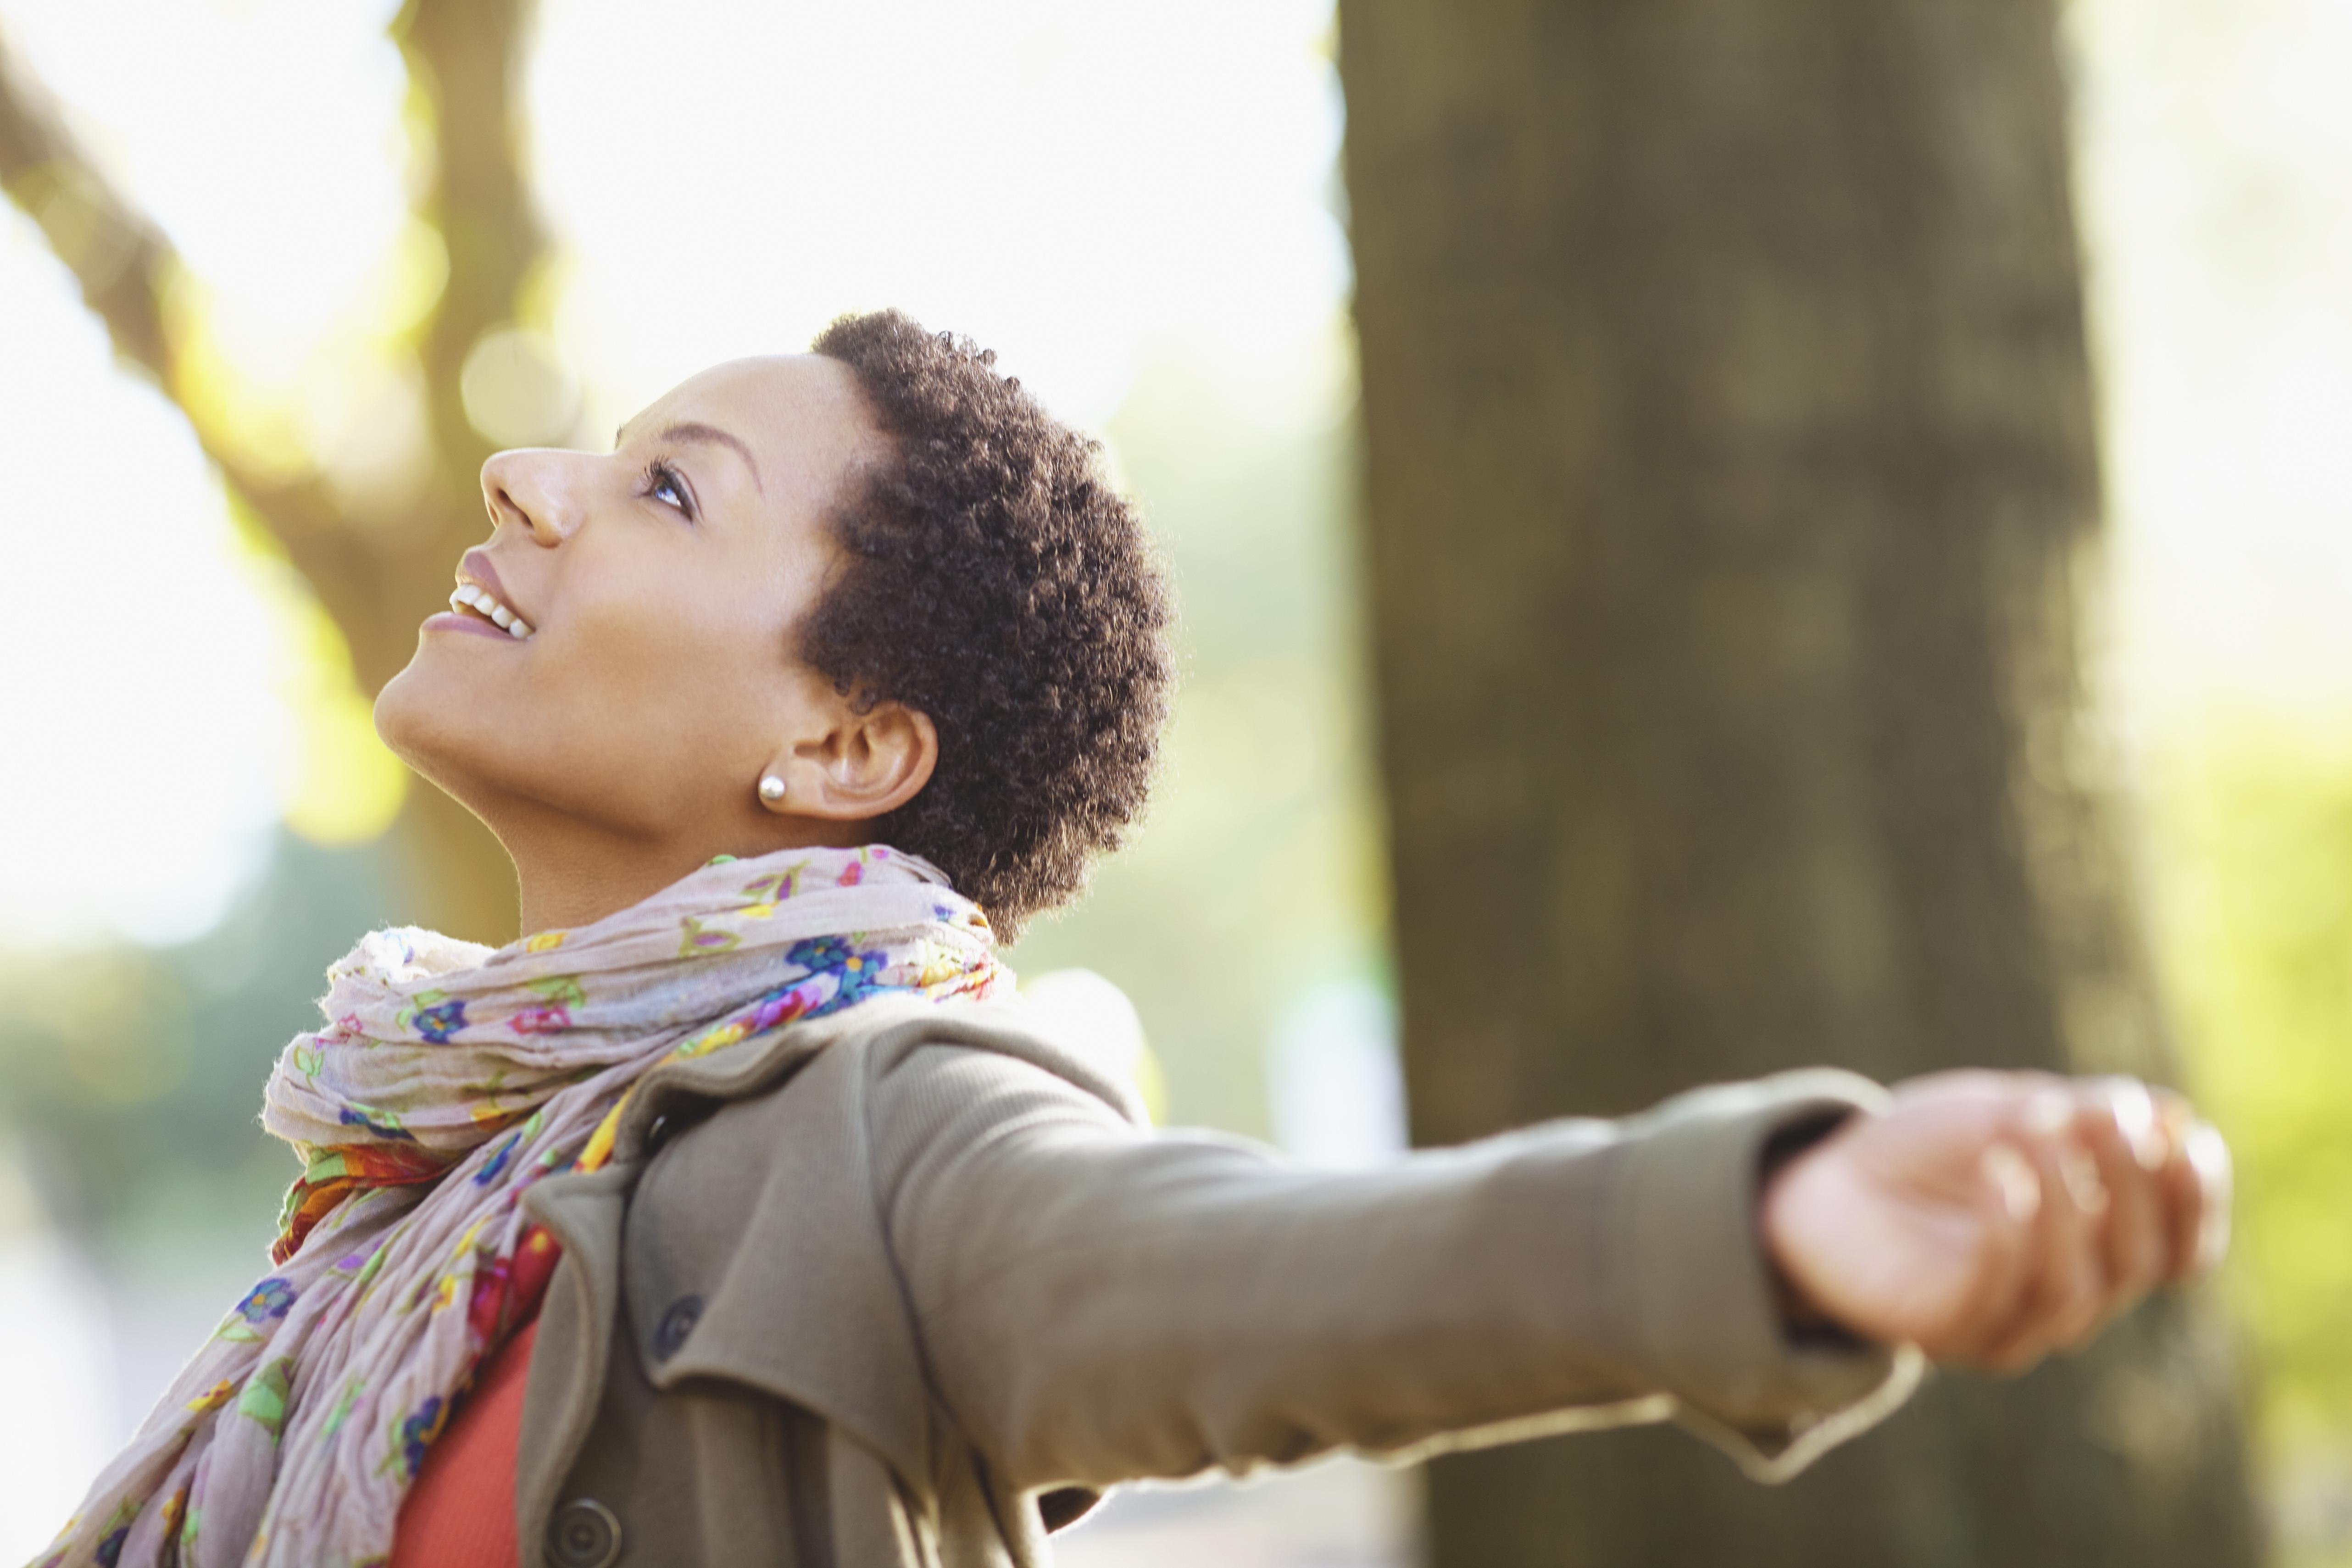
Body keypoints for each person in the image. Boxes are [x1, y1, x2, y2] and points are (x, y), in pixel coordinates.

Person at [39, 310, 2230, 1568]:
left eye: (667, 488)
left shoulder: (880, 1145)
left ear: (842, 741)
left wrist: (1758, 1227)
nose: (526, 478)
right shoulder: (409, 1206)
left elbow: (1246, 1279)